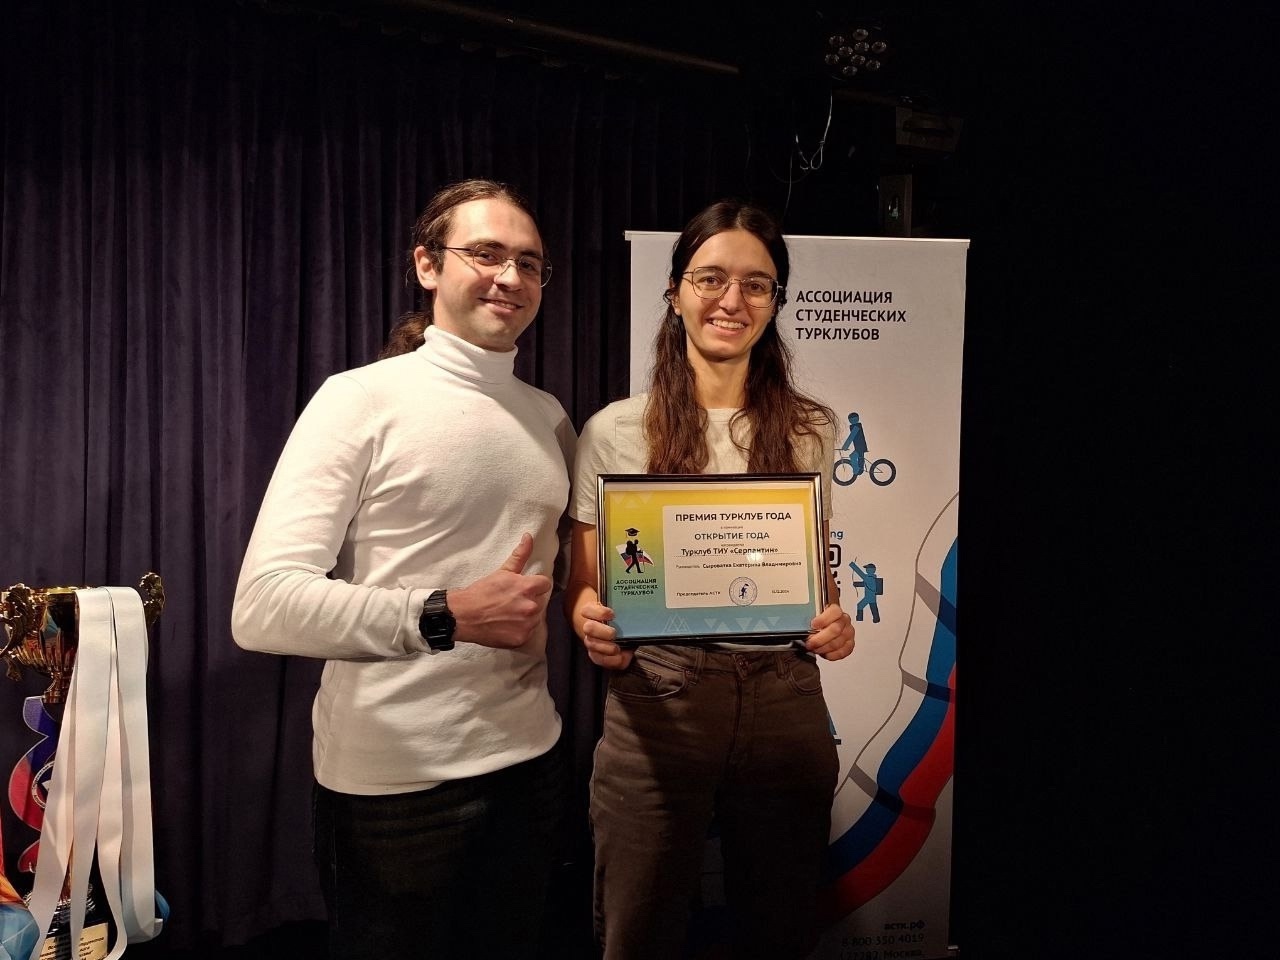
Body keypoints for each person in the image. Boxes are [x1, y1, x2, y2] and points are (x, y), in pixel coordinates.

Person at [231, 179, 576, 959]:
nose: (510, 277)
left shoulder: (549, 417)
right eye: (485, 253)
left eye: (529, 262)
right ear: (427, 264)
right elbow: (263, 606)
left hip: (531, 765)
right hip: (394, 790)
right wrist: (445, 613)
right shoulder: (358, 400)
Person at [566, 199, 856, 959]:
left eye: (757, 284)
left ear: (776, 301)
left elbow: (818, 577)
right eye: (711, 278)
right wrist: (589, 619)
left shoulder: (811, 428)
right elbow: (583, 584)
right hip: (660, 693)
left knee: (780, 931)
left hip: (785, 693)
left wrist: (833, 618)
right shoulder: (615, 430)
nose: (733, 300)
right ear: (675, 292)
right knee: (638, 930)